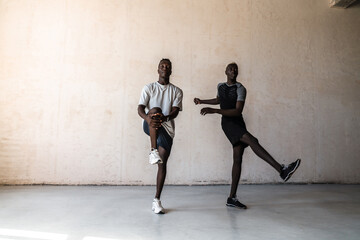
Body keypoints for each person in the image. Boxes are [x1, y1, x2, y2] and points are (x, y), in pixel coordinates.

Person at [194, 63, 300, 209]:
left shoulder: (240, 89)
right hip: (228, 124)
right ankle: (281, 170)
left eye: (235, 69)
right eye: (231, 68)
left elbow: (237, 111)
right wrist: (202, 101)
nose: (233, 70)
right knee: (252, 140)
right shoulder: (220, 86)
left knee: (237, 159)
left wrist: (215, 111)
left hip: (238, 122)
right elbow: (219, 100)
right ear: (225, 71)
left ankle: (231, 198)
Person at [138, 58, 183, 214]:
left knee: (162, 164)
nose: (165, 68)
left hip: (167, 128)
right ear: (158, 70)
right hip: (149, 123)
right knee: (155, 109)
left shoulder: (176, 91)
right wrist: (147, 118)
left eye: (168, 67)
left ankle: (156, 200)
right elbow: (140, 108)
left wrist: (165, 118)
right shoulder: (149, 87)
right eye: (162, 66)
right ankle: (152, 150)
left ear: (171, 71)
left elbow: (175, 111)